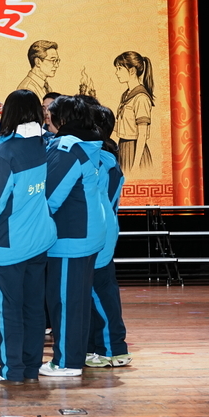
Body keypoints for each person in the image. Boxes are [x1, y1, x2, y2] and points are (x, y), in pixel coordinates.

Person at [0, 90, 56, 385]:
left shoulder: (4, 153)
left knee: (9, 309)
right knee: (33, 307)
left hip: (10, 243)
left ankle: (11, 369)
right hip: (39, 239)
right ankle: (31, 366)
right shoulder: (44, 144)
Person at [39, 95, 106, 378]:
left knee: (65, 302)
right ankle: (73, 357)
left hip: (72, 237)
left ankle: (67, 362)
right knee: (75, 302)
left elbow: (50, 197)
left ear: (63, 119)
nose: (46, 118)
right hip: (83, 234)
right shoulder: (81, 144)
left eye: (50, 114)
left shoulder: (68, 149)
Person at [86, 103, 131, 368]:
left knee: (99, 292)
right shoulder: (105, 156)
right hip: (102, 230)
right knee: (99, 291)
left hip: (99, 232)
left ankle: (112, 348)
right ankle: (100, 346)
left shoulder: (102, 160)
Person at [113, 51, 154, 174]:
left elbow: (142, 134)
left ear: (132, 71)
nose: (116, 73)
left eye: (119, 69)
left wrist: (135, 165)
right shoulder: (125, 96)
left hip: (135, 152)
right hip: (122, 148)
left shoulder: (141, 98)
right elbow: (123, 126)